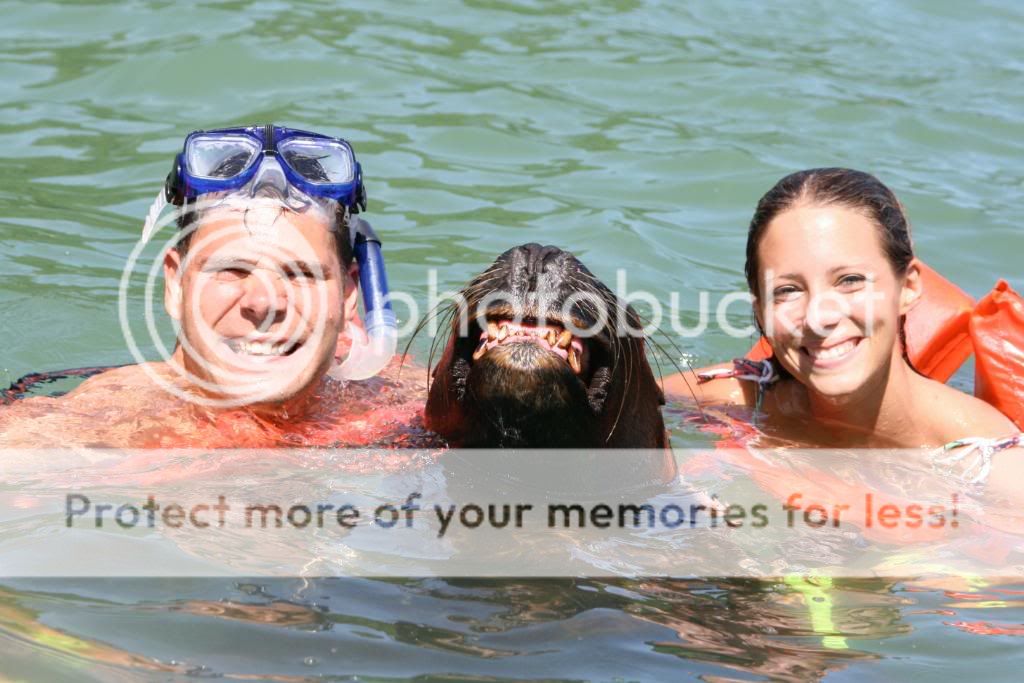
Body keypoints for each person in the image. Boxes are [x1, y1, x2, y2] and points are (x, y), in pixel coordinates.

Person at [0, 125, 430, 451]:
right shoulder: (80, 435)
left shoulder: (406, 401)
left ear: (349, 295)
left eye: (301, 274)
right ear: (175, 284)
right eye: (232, 270)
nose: (264, 302)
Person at [663, 168, 1021, 490]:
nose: (819, 316)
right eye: (788, 290)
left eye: (850, 280)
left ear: (909, 287)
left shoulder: (995, 471)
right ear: (760, 311)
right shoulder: (738, 399)